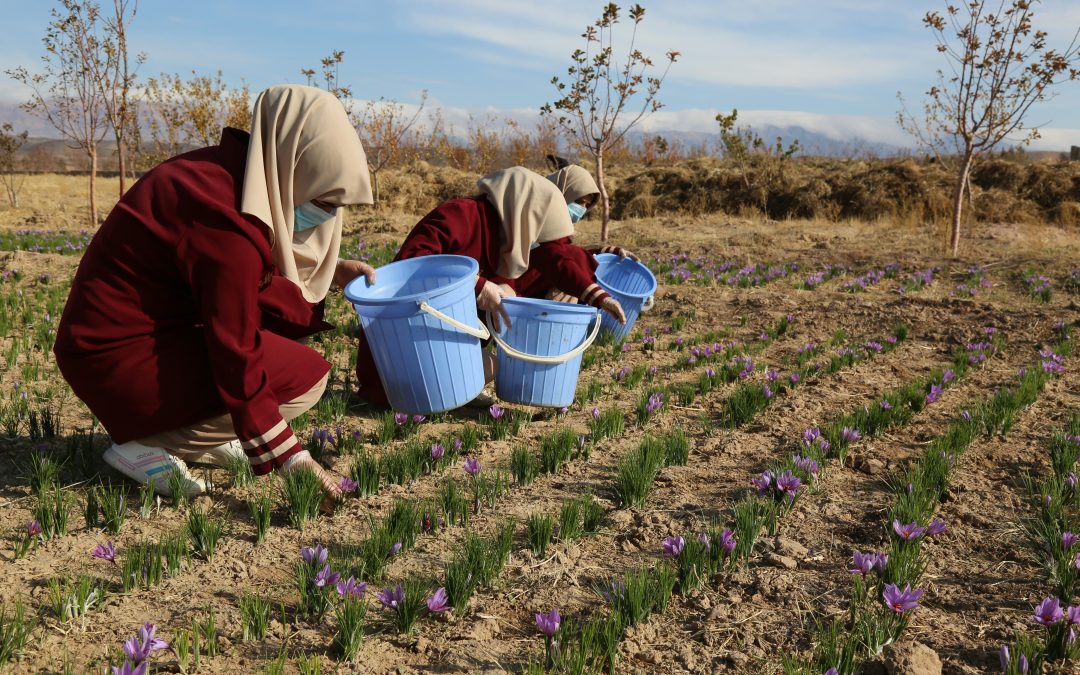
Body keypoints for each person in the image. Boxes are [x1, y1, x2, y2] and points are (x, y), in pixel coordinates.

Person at [53, 84, 376, 498]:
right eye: (322, 199)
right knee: (305, 379)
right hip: (114, 357)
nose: (326, 215)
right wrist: (289, 456)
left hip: (130, 341)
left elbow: (243, 283)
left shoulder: (230, 177)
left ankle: (199, 433)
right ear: (293, 166)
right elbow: (234, 347)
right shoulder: (226, 219)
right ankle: (150, 442)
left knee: (286, 359)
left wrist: (331, 272)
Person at [353, 166, 627, 407]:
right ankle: (416, 396)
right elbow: (412, 263)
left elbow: (558, 260)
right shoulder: (461, 215)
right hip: (404, 340)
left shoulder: (508, 236)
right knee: (459, 379)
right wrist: (476, 284)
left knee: (490, 368)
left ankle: (447, 394)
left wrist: (599, 298)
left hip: (439, 338)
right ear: (523, 209)